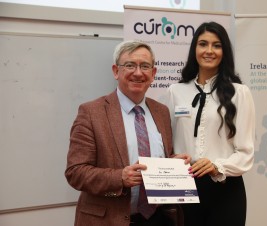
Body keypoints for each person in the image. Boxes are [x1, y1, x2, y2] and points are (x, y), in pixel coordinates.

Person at [65, 40, 190, 226]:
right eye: (130, 65)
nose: (138, 73)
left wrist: (173, 163)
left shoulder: (161, 112)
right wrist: (120, 177)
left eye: (145, 66)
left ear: (153, 73)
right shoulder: (91, 113)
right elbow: (75, 172)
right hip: (109, 220)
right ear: (116, 71)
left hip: (157, 218)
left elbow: (156, 159)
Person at [163, 22, 256, 226]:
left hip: (225, 189)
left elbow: (245, 152)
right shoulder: (175, 91)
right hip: (183, 187)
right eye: (203, 44)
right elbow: (165, 141)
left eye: (217, 45)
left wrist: (216, 166)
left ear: (225, 52)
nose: (209, 51)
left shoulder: (239, 93)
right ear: (194, 49)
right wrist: (171, 157)